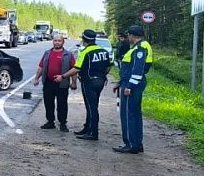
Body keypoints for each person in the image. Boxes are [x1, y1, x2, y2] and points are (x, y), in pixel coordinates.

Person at [54, 29, 111, 141]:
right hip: (100, 81)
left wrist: (63, 76)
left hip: (89, 81)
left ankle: (93, 133)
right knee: (93, 105)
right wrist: (102, 75)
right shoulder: (103, 51)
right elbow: (108, 66)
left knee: (91, 107)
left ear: (84, 39)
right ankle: (87, 128)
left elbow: (76, 68)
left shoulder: (85, 52)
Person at [113, 25, 153, 154]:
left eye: (128, 35)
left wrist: (129, 86)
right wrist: (120, 82)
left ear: (132, 35)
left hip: (132, 84)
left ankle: (130, 144)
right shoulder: (140, 46)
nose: (127, 37)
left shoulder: (141, 47)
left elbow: (137, 69)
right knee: (135, 114)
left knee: (128, 114)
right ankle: (136, 143)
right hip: (131, 82)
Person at [33, 35, 77, 131]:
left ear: (63, 42)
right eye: (55, 41)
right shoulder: (47, 53)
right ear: (53, 42)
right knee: (48, 103)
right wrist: (36, 78)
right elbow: (41, 67)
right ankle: (50, 122)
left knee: (62, 104)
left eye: (59, 41)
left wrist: (74, 83)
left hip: (62, 83)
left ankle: (62, 123)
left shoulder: (68, 55)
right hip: (48, 83)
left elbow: (74, 69)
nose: (57, 42)